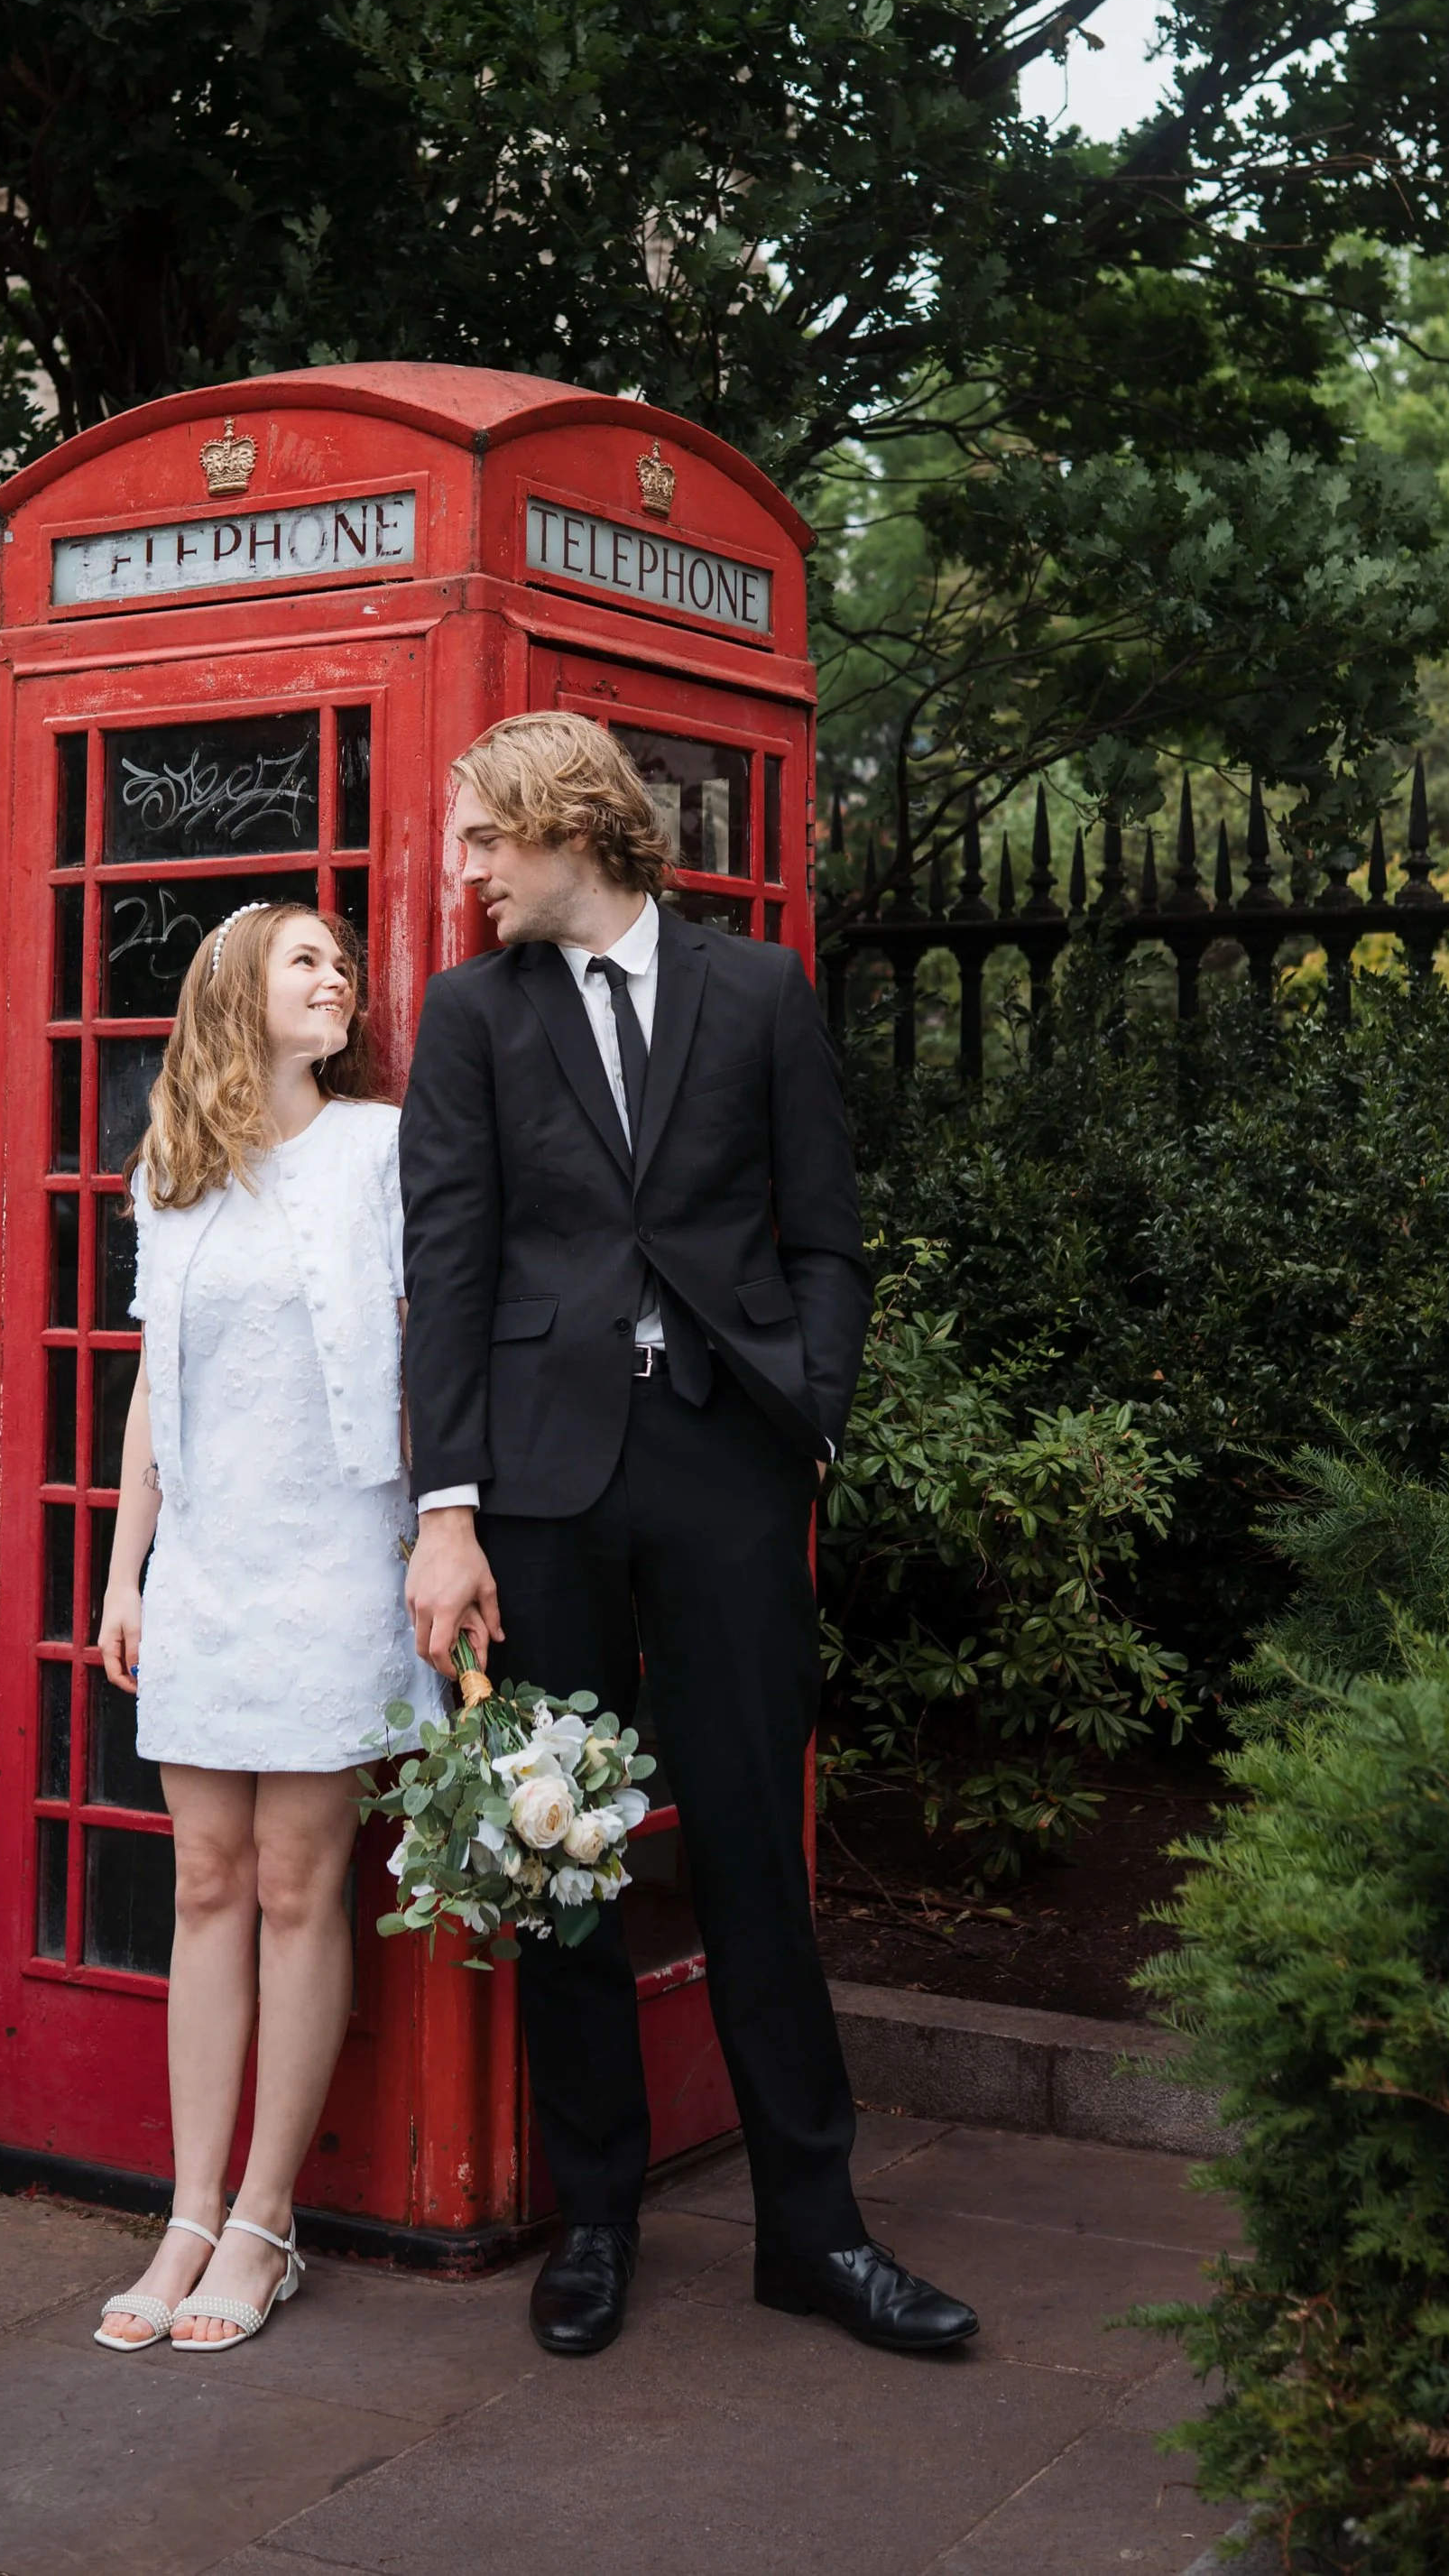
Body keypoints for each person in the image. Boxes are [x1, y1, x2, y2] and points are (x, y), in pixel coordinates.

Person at [400, 712, 979, 2359]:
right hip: (539, 1491)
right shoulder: (471, 1014)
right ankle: (596, 2220)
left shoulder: (759, 993)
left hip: (727, 1470)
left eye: (482, 838)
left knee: (747, 1851)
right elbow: (445, 1269)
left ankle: (817, 2229)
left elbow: (829, 1234)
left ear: (570, 825)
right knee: (562, 1855)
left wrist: (811, 1411)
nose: (465, 870)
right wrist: (448, 1513)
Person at [90, 900, 429, 2354]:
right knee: (205, 1885)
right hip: (212, 1565)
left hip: (340, 1551)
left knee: (301, 1885)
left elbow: (434, 1343)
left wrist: (452, 1537)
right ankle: (185, 2208)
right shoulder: (171, 1174)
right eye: (306, 957)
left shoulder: (380, 1146)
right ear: (236, 990)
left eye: (341, 960)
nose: (335, 974)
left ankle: (264, 2219)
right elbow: (152, 1386)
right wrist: (125, 1572)